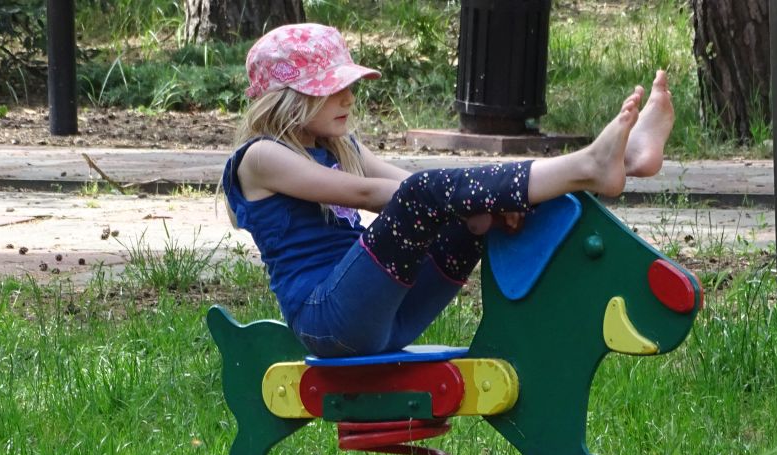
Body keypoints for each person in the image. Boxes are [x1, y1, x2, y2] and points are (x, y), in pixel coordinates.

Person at [223, 23, 675, 357]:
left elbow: (406, 182)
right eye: (331, 89)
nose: (348, 98)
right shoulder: (261, 157)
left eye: (349, 87)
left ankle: (619, 165)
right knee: (430, 197)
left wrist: (480, 206)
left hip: (389, 318)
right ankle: (589, 166)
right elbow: (363, 194)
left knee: (475, 216)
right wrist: (451, 199)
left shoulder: (339, 146)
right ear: (285, 99)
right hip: (328, 320)